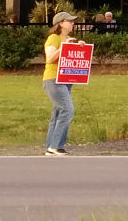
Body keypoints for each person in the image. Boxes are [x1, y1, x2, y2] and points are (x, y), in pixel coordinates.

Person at [42, 11, 83, 156]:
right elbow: (50, 57)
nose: (72, 23)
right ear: (60, 23)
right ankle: (55, 145)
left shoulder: (68, 39)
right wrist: (64, 47)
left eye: (72, 21)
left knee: (58, 112)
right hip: (53, 79)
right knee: (67, 109)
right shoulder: (53, 38)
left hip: (66, 79)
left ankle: (51, 146)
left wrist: (79, 47)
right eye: (69, 21)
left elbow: (71, 58)